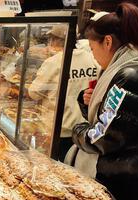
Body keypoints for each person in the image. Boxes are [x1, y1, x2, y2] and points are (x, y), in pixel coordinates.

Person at [66, 3, 138, 200]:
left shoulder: (129, 76)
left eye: (92, 48)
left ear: (108, 42)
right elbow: (114, 119)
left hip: (125, 187)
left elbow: (104, 137)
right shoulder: (128, 68)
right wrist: (86, 102)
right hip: (125, 180)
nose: (93, 55)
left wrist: (77, 131)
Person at [28, 25, 100, 161]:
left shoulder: (54, 62)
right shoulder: (92, 59)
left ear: (57, 41)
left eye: (51, 39)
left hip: (57, 128)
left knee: (52, 167)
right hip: (83, 129)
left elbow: (34, 93)